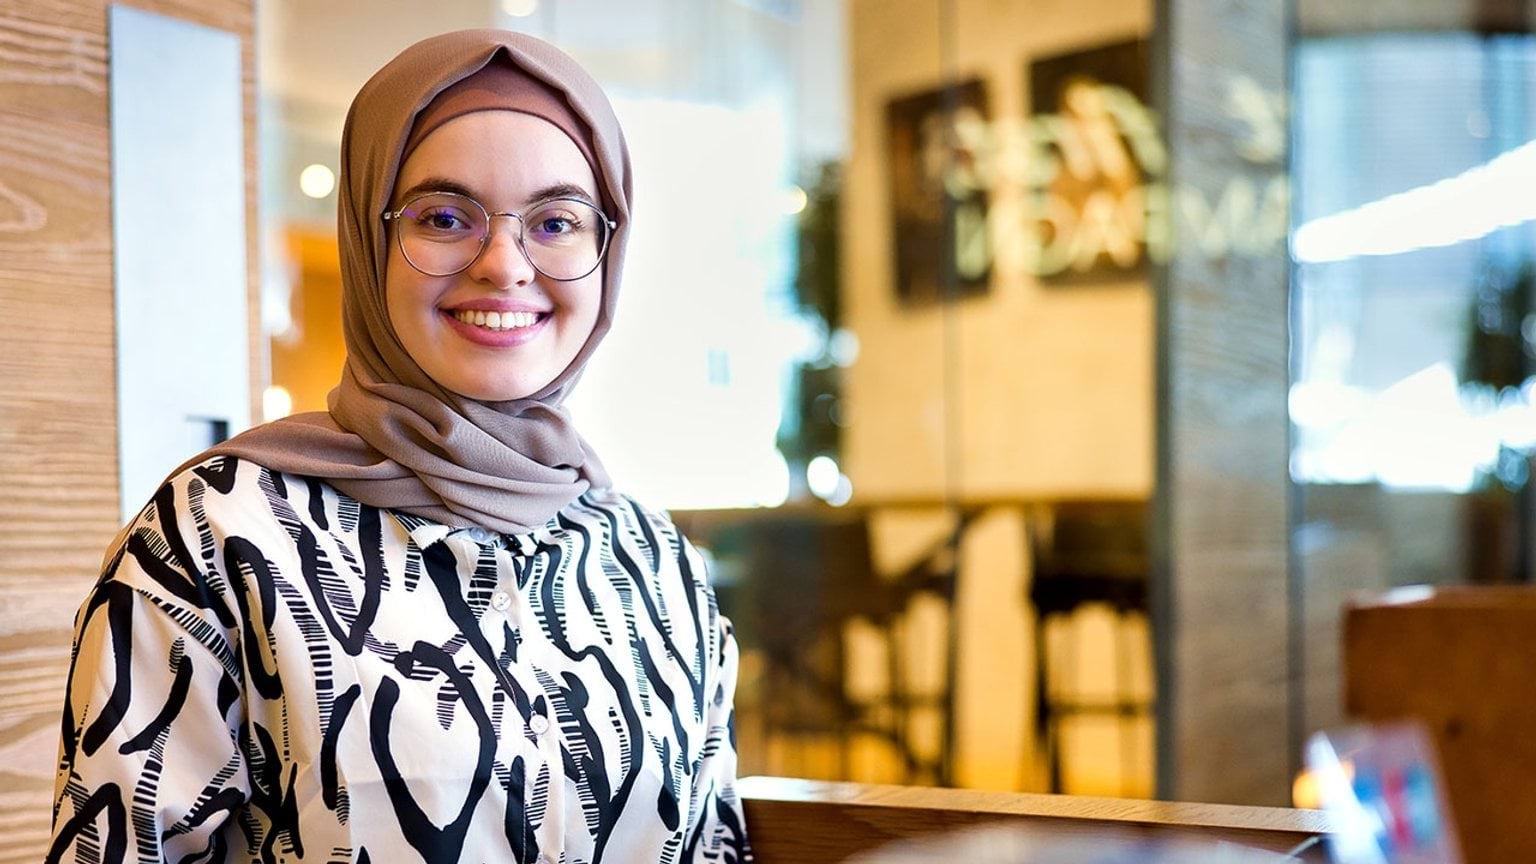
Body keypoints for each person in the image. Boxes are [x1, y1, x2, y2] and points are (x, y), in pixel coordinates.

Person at [48, 29, 752, 864]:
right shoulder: (217, 536)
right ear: (369, 237)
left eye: (556, 221)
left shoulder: (648, 555)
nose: (504, 264)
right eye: (445, 217)